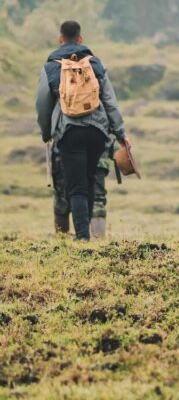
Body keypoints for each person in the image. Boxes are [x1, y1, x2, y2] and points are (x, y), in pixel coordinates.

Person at [36, 21, 128, 241]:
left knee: (76, 186)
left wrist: (46, 131)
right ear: (80, 38)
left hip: (69, 131)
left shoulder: (51, 67)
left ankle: (82, 237)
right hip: (97, 131)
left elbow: (42, 104)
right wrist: (120, 132)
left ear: (60, 39)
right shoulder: (95, 64)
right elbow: (110, 101)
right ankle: (85, 233)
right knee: (88, 180)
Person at [52, 144, 112, 237]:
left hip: (65, 151)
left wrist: (47, 134)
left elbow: (47, 131)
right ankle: (98, 243)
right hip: (98, 150)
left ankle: (62, 240)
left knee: (62, 198)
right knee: (97, 199)